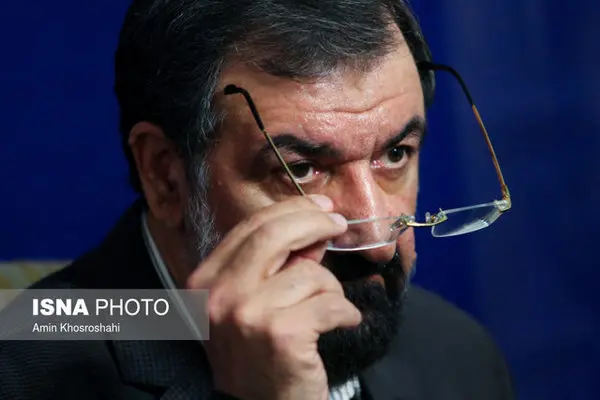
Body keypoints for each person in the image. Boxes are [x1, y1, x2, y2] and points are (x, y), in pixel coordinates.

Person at [0, 0, 515, 399]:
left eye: (395, 154)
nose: (379, 241)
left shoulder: (459, 355)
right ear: (165, 176)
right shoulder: (23, 366)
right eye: (300, 169)